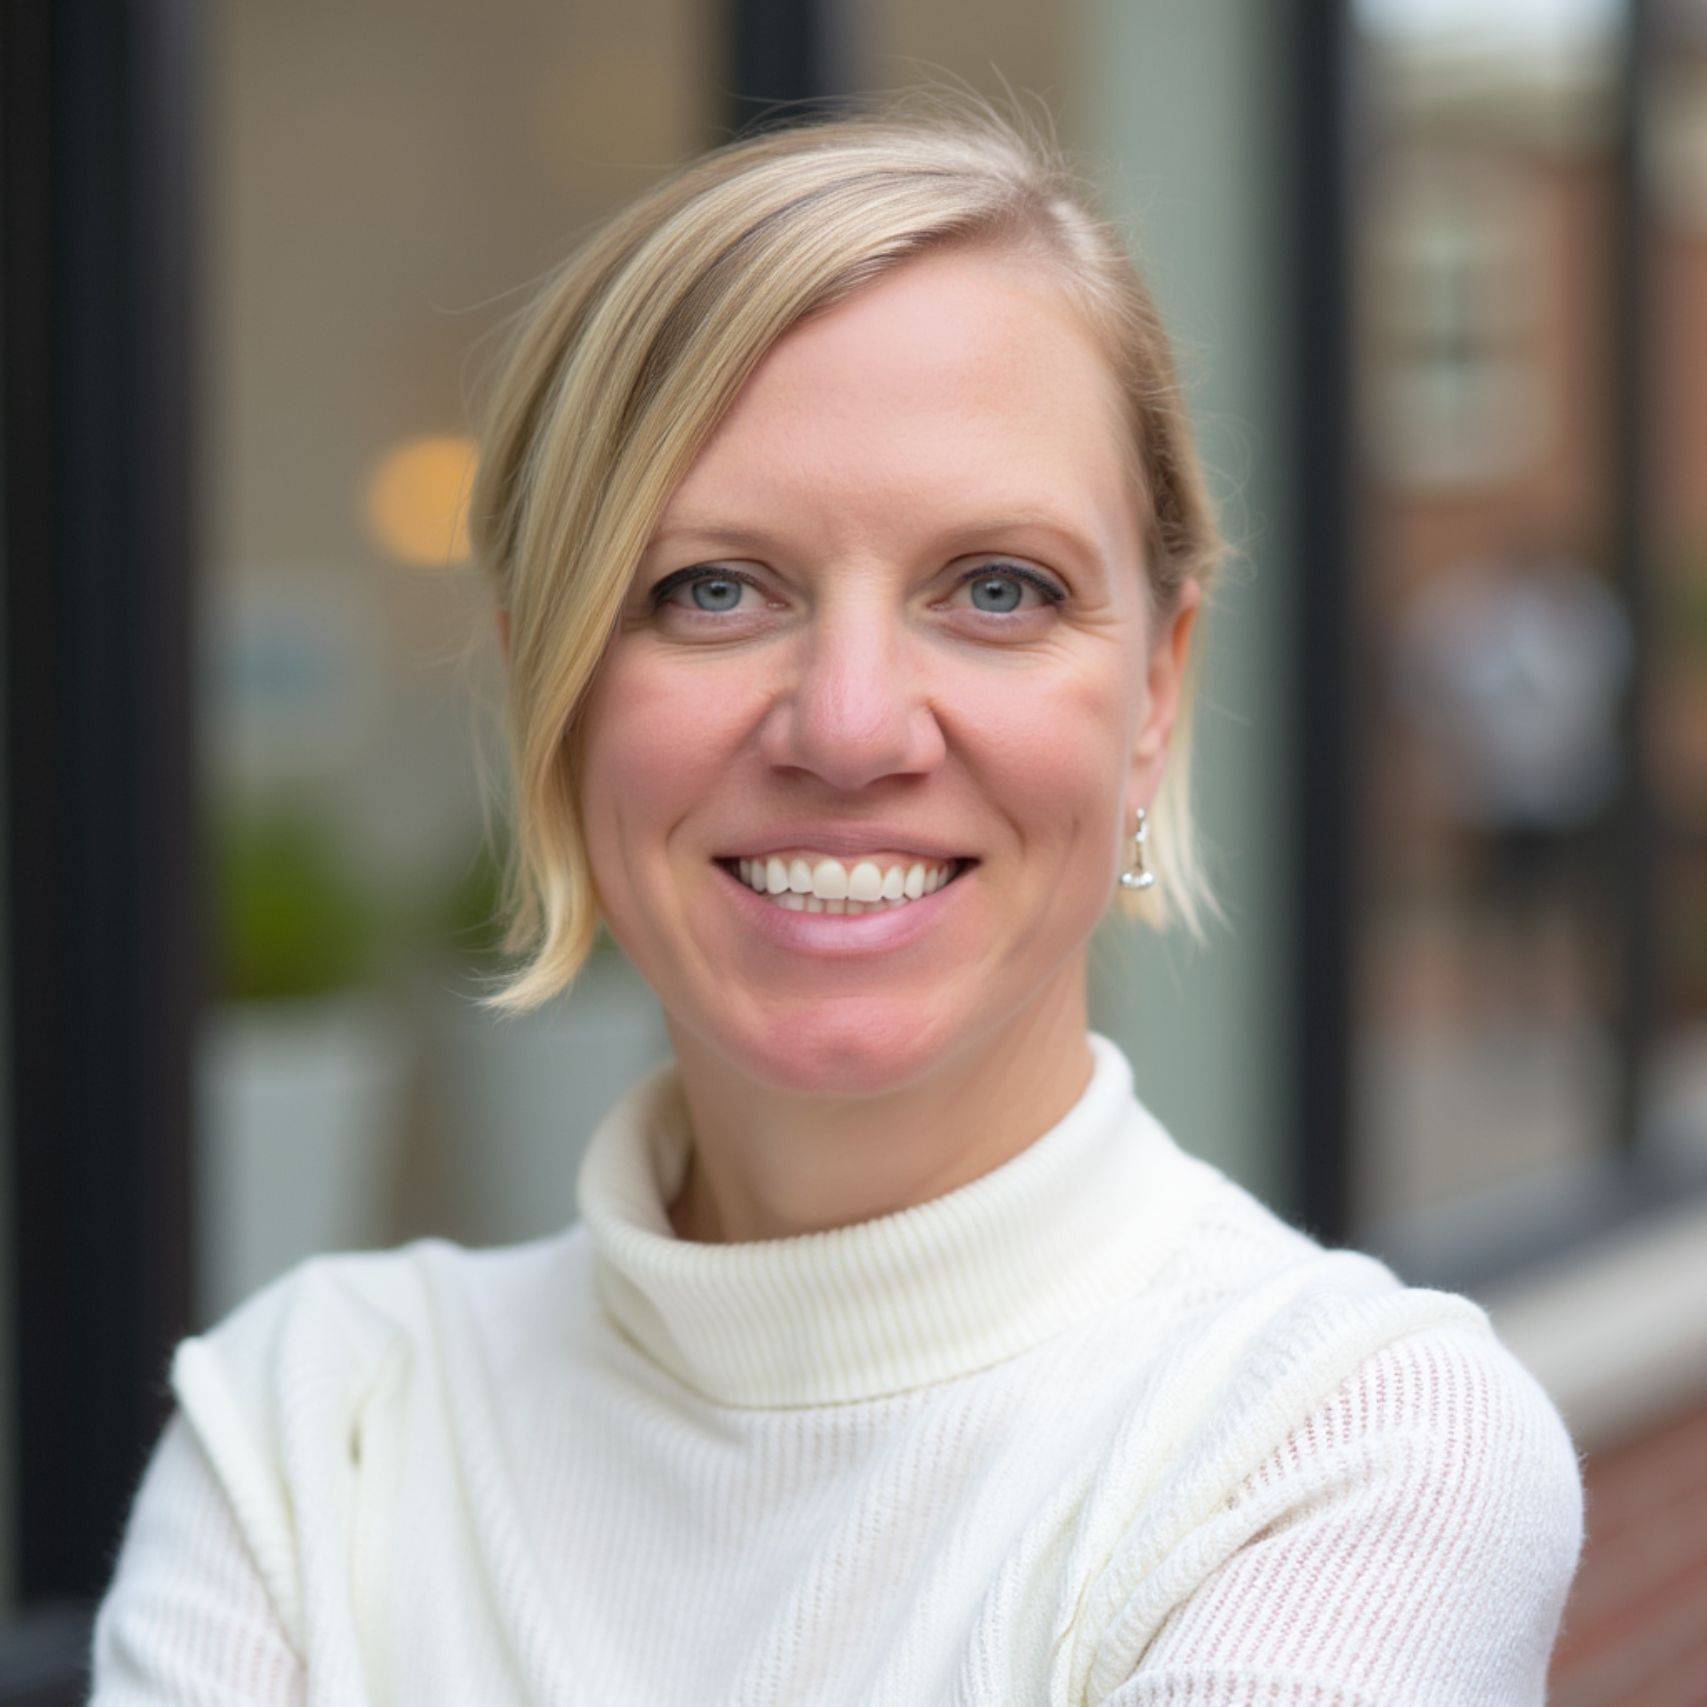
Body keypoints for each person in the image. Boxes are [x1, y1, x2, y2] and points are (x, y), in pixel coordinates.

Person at [88, 93, 1585, 1704]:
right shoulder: (318, 1435)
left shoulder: (1338, 1447)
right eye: (713, 589)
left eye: (997, 590)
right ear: (553, 696)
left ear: (1157, 689)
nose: (853, 725)